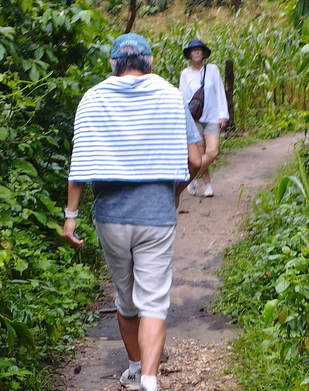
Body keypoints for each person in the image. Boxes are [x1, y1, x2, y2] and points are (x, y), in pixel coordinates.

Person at [62, 33, 201, 391]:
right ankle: (150, 382)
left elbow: (81, 163)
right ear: (150, 62)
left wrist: (70, 216)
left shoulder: (92, 99)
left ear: (113, 64)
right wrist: (176, 191)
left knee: (126, 298)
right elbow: (195, 159)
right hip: (156, 214)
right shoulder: (171, 95)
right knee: (153, 300)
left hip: (110, 216)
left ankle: (136, 367)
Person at [178, 38, 229, 197]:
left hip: (213, 116)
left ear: (204, 53)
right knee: (199, 154)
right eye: (194, 50)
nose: (197, 52)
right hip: (194, 118)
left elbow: (220, 92)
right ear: (190, 54)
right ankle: (208, 186)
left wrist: (223, 114)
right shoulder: (185, 74)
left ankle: (191, 179)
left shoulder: (212, 70)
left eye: (199, 49)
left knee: (212, 151)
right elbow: (183, 96)